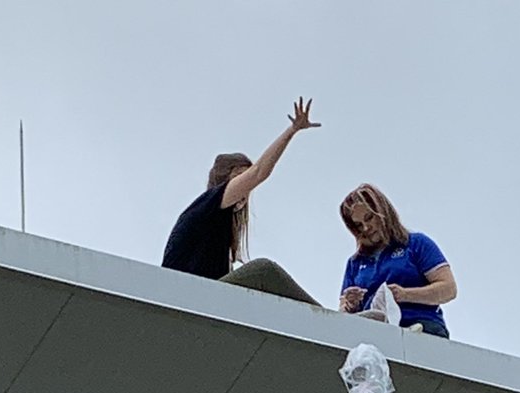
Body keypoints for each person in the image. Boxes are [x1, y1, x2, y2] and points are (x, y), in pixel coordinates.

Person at [162, 98, 320, 299]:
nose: (246, 190)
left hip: (200, 297)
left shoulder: (220, 232)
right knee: (263, 271)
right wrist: (292, 131)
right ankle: (331, 324)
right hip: (184, 297)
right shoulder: (207, 204)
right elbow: (259, 173)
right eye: (239, 179)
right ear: (224, 179)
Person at [339, 185, 457, 337]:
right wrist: (350, 305)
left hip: (423, 328)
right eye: (359, 225)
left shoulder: (416, 244)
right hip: (375, 334)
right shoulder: (355, 263)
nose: (366, 228)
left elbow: (449, 289)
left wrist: (405, 294)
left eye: (369, 218)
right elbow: (341, 310)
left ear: (383, 212)